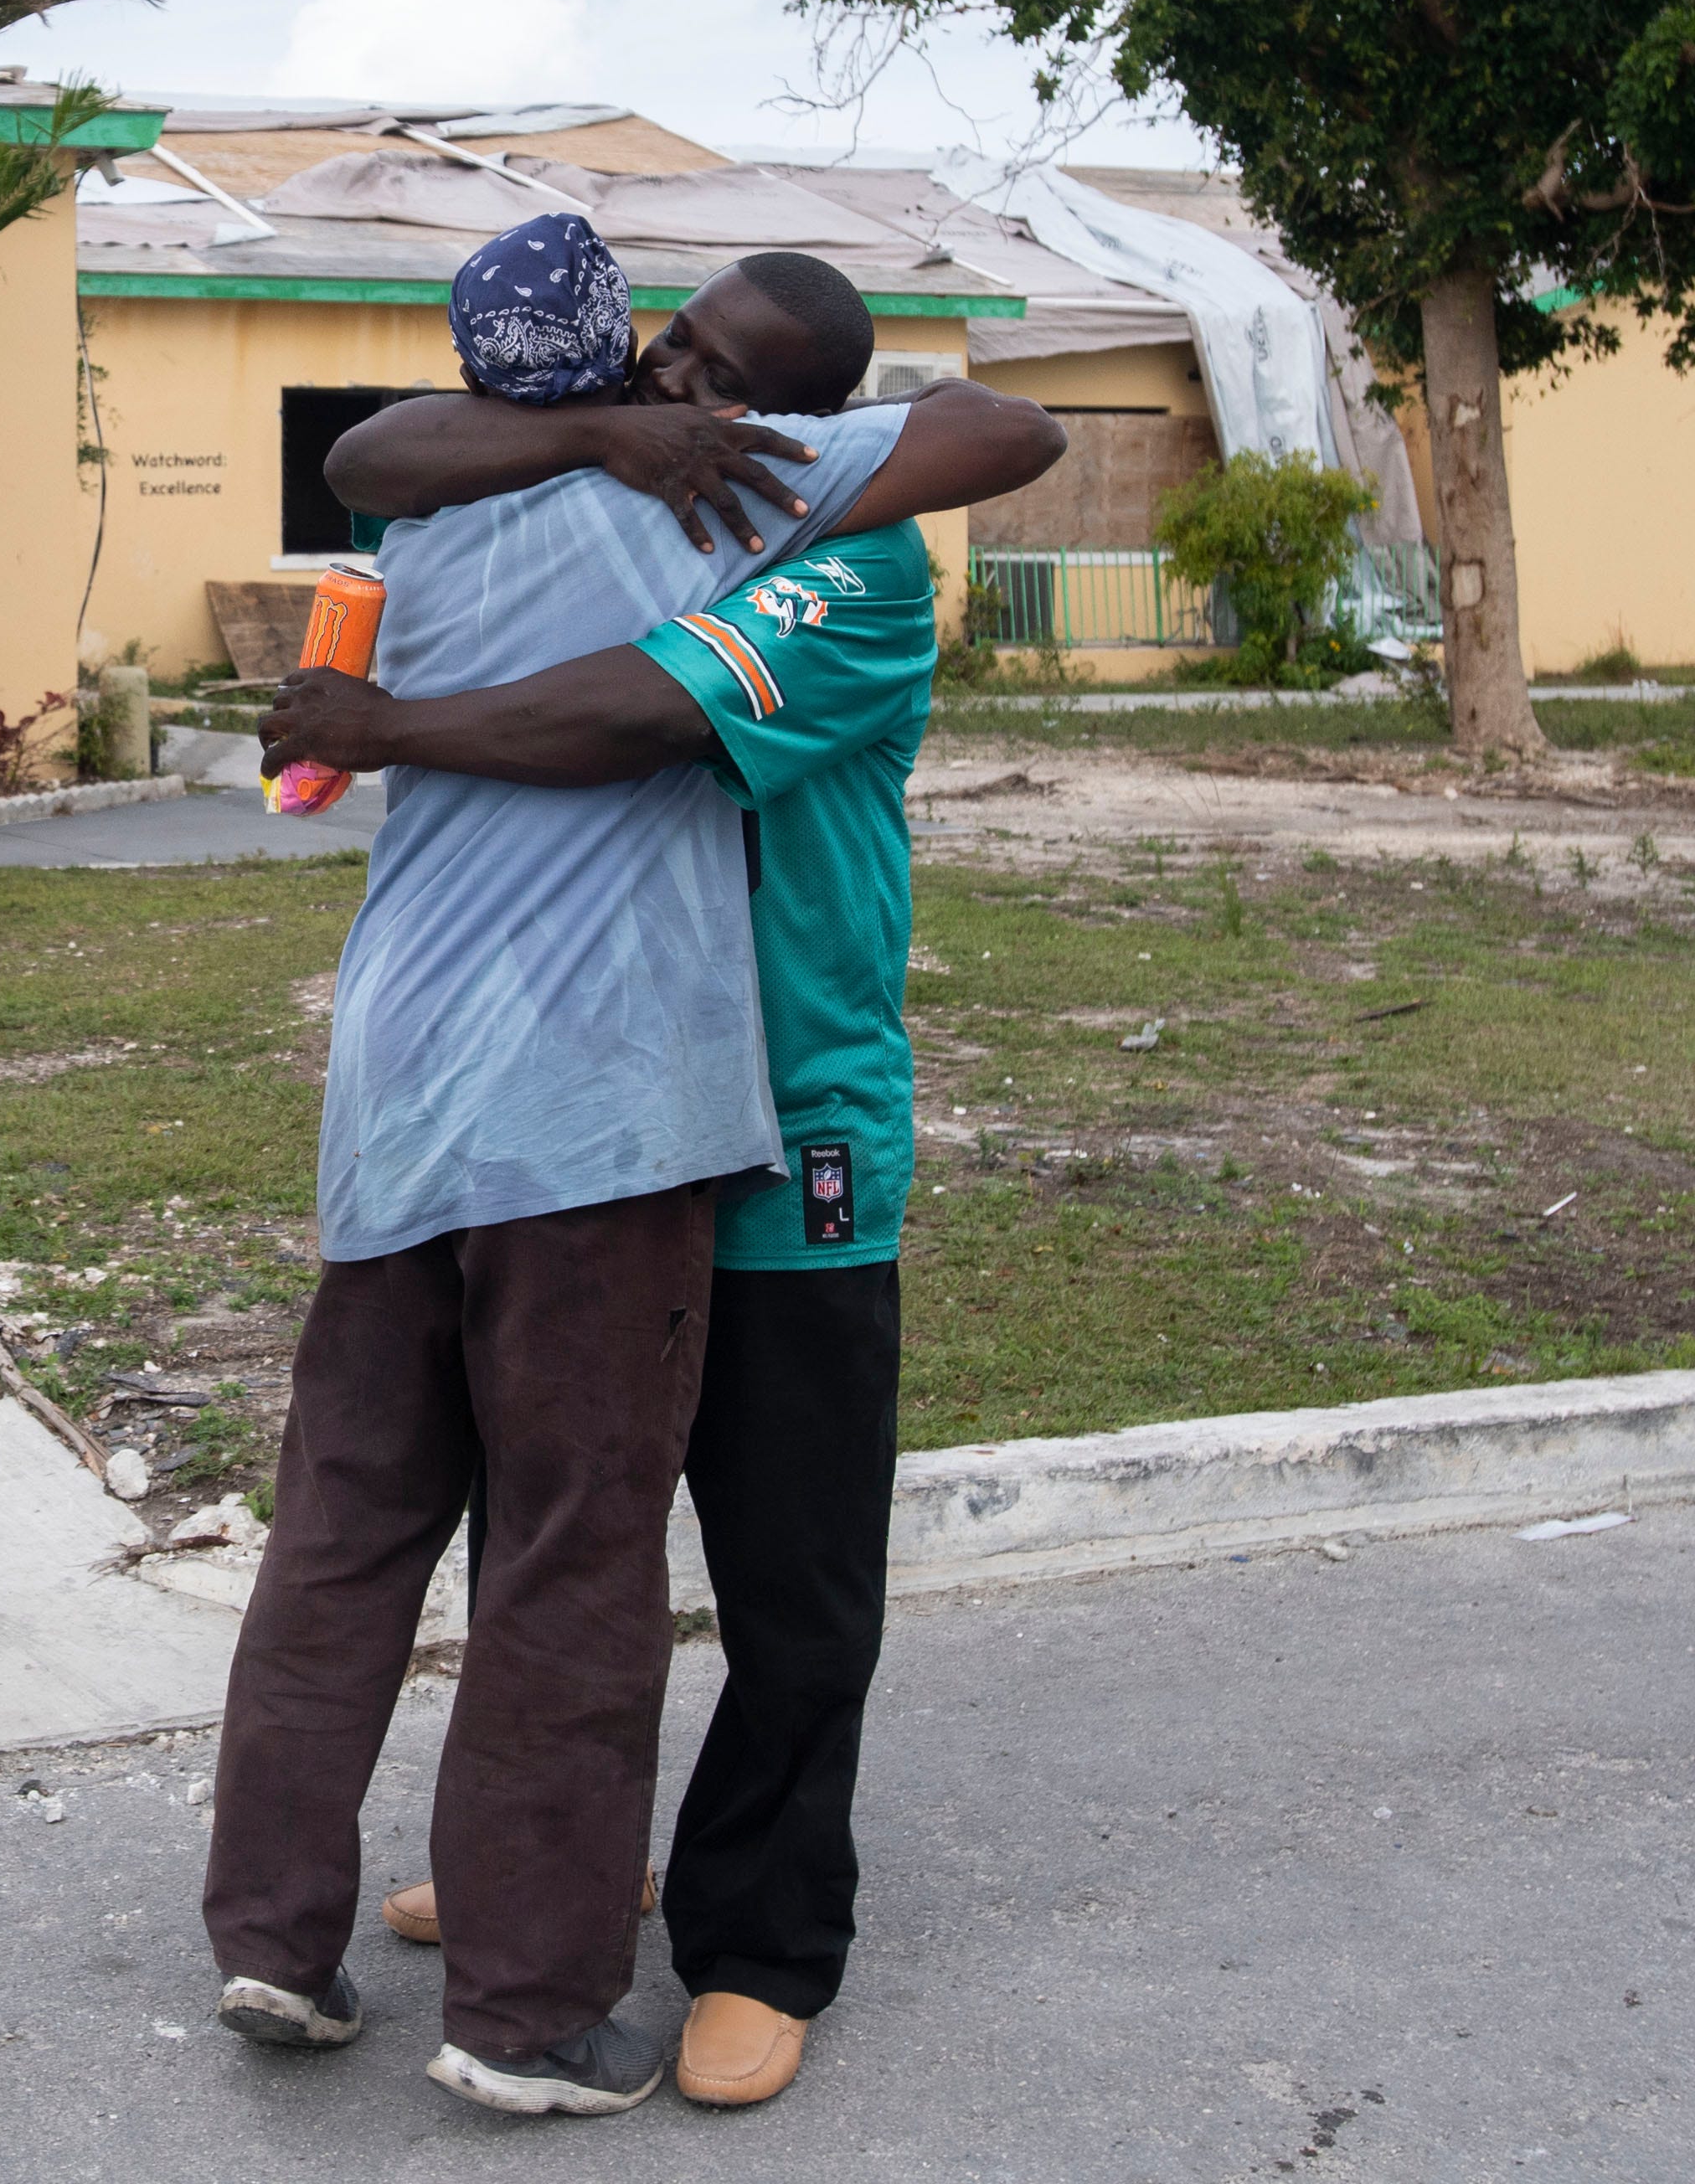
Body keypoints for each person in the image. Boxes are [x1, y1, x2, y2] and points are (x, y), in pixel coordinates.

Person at [200, 217, 1059, 2119]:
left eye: (724, 372)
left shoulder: (831, 548)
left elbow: (631, 714)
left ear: (797, 417)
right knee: (553, 1539)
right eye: (670, 346)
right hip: (596, 1145)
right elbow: (373, 451)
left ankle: (761, 1936)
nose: (682, 383)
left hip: (780, 1129)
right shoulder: (628, 484)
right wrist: (600, 441)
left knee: (784, 1569)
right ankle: (547, 1880)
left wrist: (378, 727)